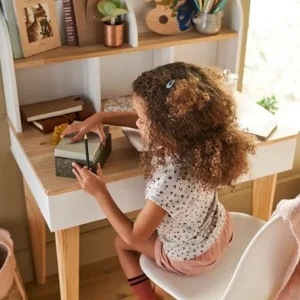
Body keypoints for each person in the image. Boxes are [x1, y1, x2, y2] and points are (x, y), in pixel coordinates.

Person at [62, 62, 256, 300]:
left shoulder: (169, 182)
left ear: (166, 127)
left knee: (121, 244)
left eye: (142, 121)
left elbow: (133, 237)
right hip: (220, 231)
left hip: (193, 258)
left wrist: (100, 192)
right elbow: (147, 118)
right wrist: (102, 116)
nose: (136, 123)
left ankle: (147, 298)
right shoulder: (199, 144)